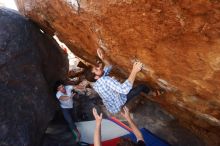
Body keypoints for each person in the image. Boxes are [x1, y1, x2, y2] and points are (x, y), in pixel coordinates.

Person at [85, 48, 151, 114]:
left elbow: (109, 66)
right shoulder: (105, 80)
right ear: (96, 77)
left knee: (128, 85)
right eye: (96, 69)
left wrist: (103, 58)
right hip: (118, 104)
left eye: (97, 67)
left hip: (111, 106)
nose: (99, 67)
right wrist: (134, 70)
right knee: (141, 87)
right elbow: (124, 90)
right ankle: (150, 93)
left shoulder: (96, 83)